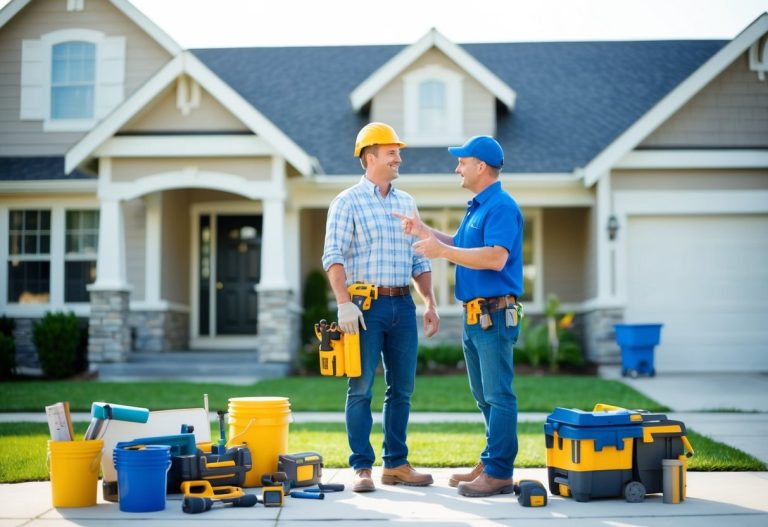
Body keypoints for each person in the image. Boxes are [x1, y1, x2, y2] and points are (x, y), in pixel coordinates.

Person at [394, 135, 523, 498]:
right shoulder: (478, 207)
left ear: (481, 166)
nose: (457, 168)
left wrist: (442, 252)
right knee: (484, 396)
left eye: (462, 161)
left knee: (498, 395)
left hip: (494, 315)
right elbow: (461, 245)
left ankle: (499, 471)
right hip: (476, 316)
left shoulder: (500, 206)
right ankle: (492, 457)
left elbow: (496, 257)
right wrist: (425, 233)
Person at [322, 122, 440, 493]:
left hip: (402, 306)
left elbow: (420, 260)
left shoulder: (406, 203)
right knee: (360, 389)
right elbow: (333, 255)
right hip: (364, 308)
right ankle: (361, 467)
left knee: (401, 388)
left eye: (398, 153)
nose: (398, 159)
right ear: (369, 157)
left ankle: (396, 464)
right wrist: (343, 304)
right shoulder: (347, 201)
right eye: (392, 153)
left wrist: (430, 303)